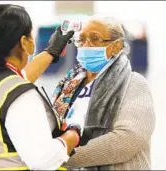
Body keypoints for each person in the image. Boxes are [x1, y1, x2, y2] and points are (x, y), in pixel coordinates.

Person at [0, 4, 87, 170]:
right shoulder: (21, 96)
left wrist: (51, 51)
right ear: (24, 42)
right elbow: (43, 161)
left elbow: (15, 80)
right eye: (30, 34)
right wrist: (72, 135)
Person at [51, 17, 155, 170]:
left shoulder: (133, 83)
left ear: (116, 46)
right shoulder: (69, 85)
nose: (86, 45)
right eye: (82, 39)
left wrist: (60, 157)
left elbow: (127, 141)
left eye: (95, 39)